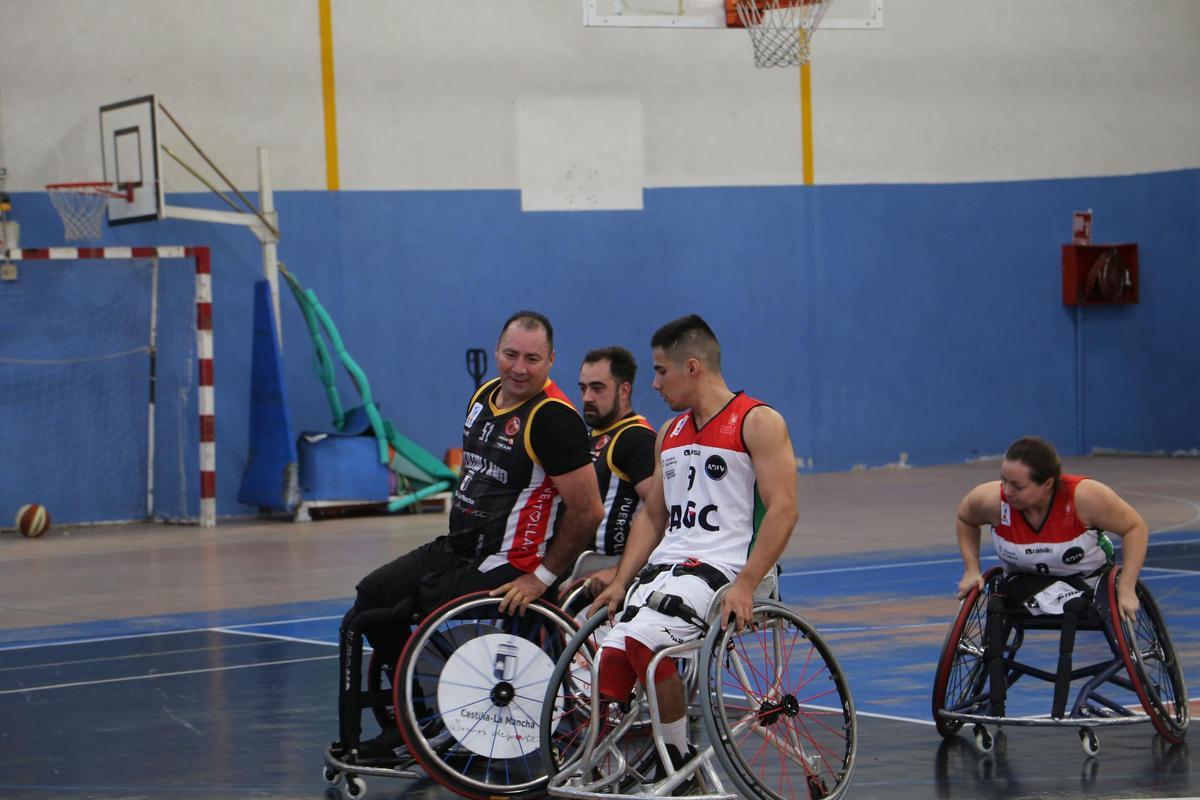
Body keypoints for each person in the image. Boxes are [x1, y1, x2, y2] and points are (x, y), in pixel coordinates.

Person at [341, 310, 604, 762]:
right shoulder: (484, 395)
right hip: (458, 547)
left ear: (551, 361)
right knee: (371, 597)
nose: (519, 368)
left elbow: (588, 510)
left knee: (407, 606)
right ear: (497, 350)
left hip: (509, 562)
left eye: (532, 358)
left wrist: (541, 577)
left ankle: (428, 713)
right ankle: (426, 708)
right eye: (510, 354)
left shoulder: (553, 420)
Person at [589, 314, 799, 787]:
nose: (655, 383)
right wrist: (621, 580)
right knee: (608, 657)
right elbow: (651, 516)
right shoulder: (670, 432)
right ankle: (634, 759)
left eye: (661, 371)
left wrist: (746, 583)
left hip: (728, 569)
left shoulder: (758, 422)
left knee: (649, 641)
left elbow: (784, 510)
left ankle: (679, 763)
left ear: (692, 367)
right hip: (669, 567)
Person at [954, 435, 1148, 621]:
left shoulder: (1086, 497)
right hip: (1024, 583)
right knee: (997, 606)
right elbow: (965, 519)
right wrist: (971, 569)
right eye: (1003, 480)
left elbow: (1134, 528)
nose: (1006, 491)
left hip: (1087, 582)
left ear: (1047, 484)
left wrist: (1126, 587)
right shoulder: (992, 500)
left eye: (1017, 486)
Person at [557, 346, 657, 602]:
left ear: (624, 390)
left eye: (597, 388)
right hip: (577, 564)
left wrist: (619, 572)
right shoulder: (593, 437)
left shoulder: (637, 440)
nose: (587, 397)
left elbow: (664, 515)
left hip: (602, 571)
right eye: (583, 388)